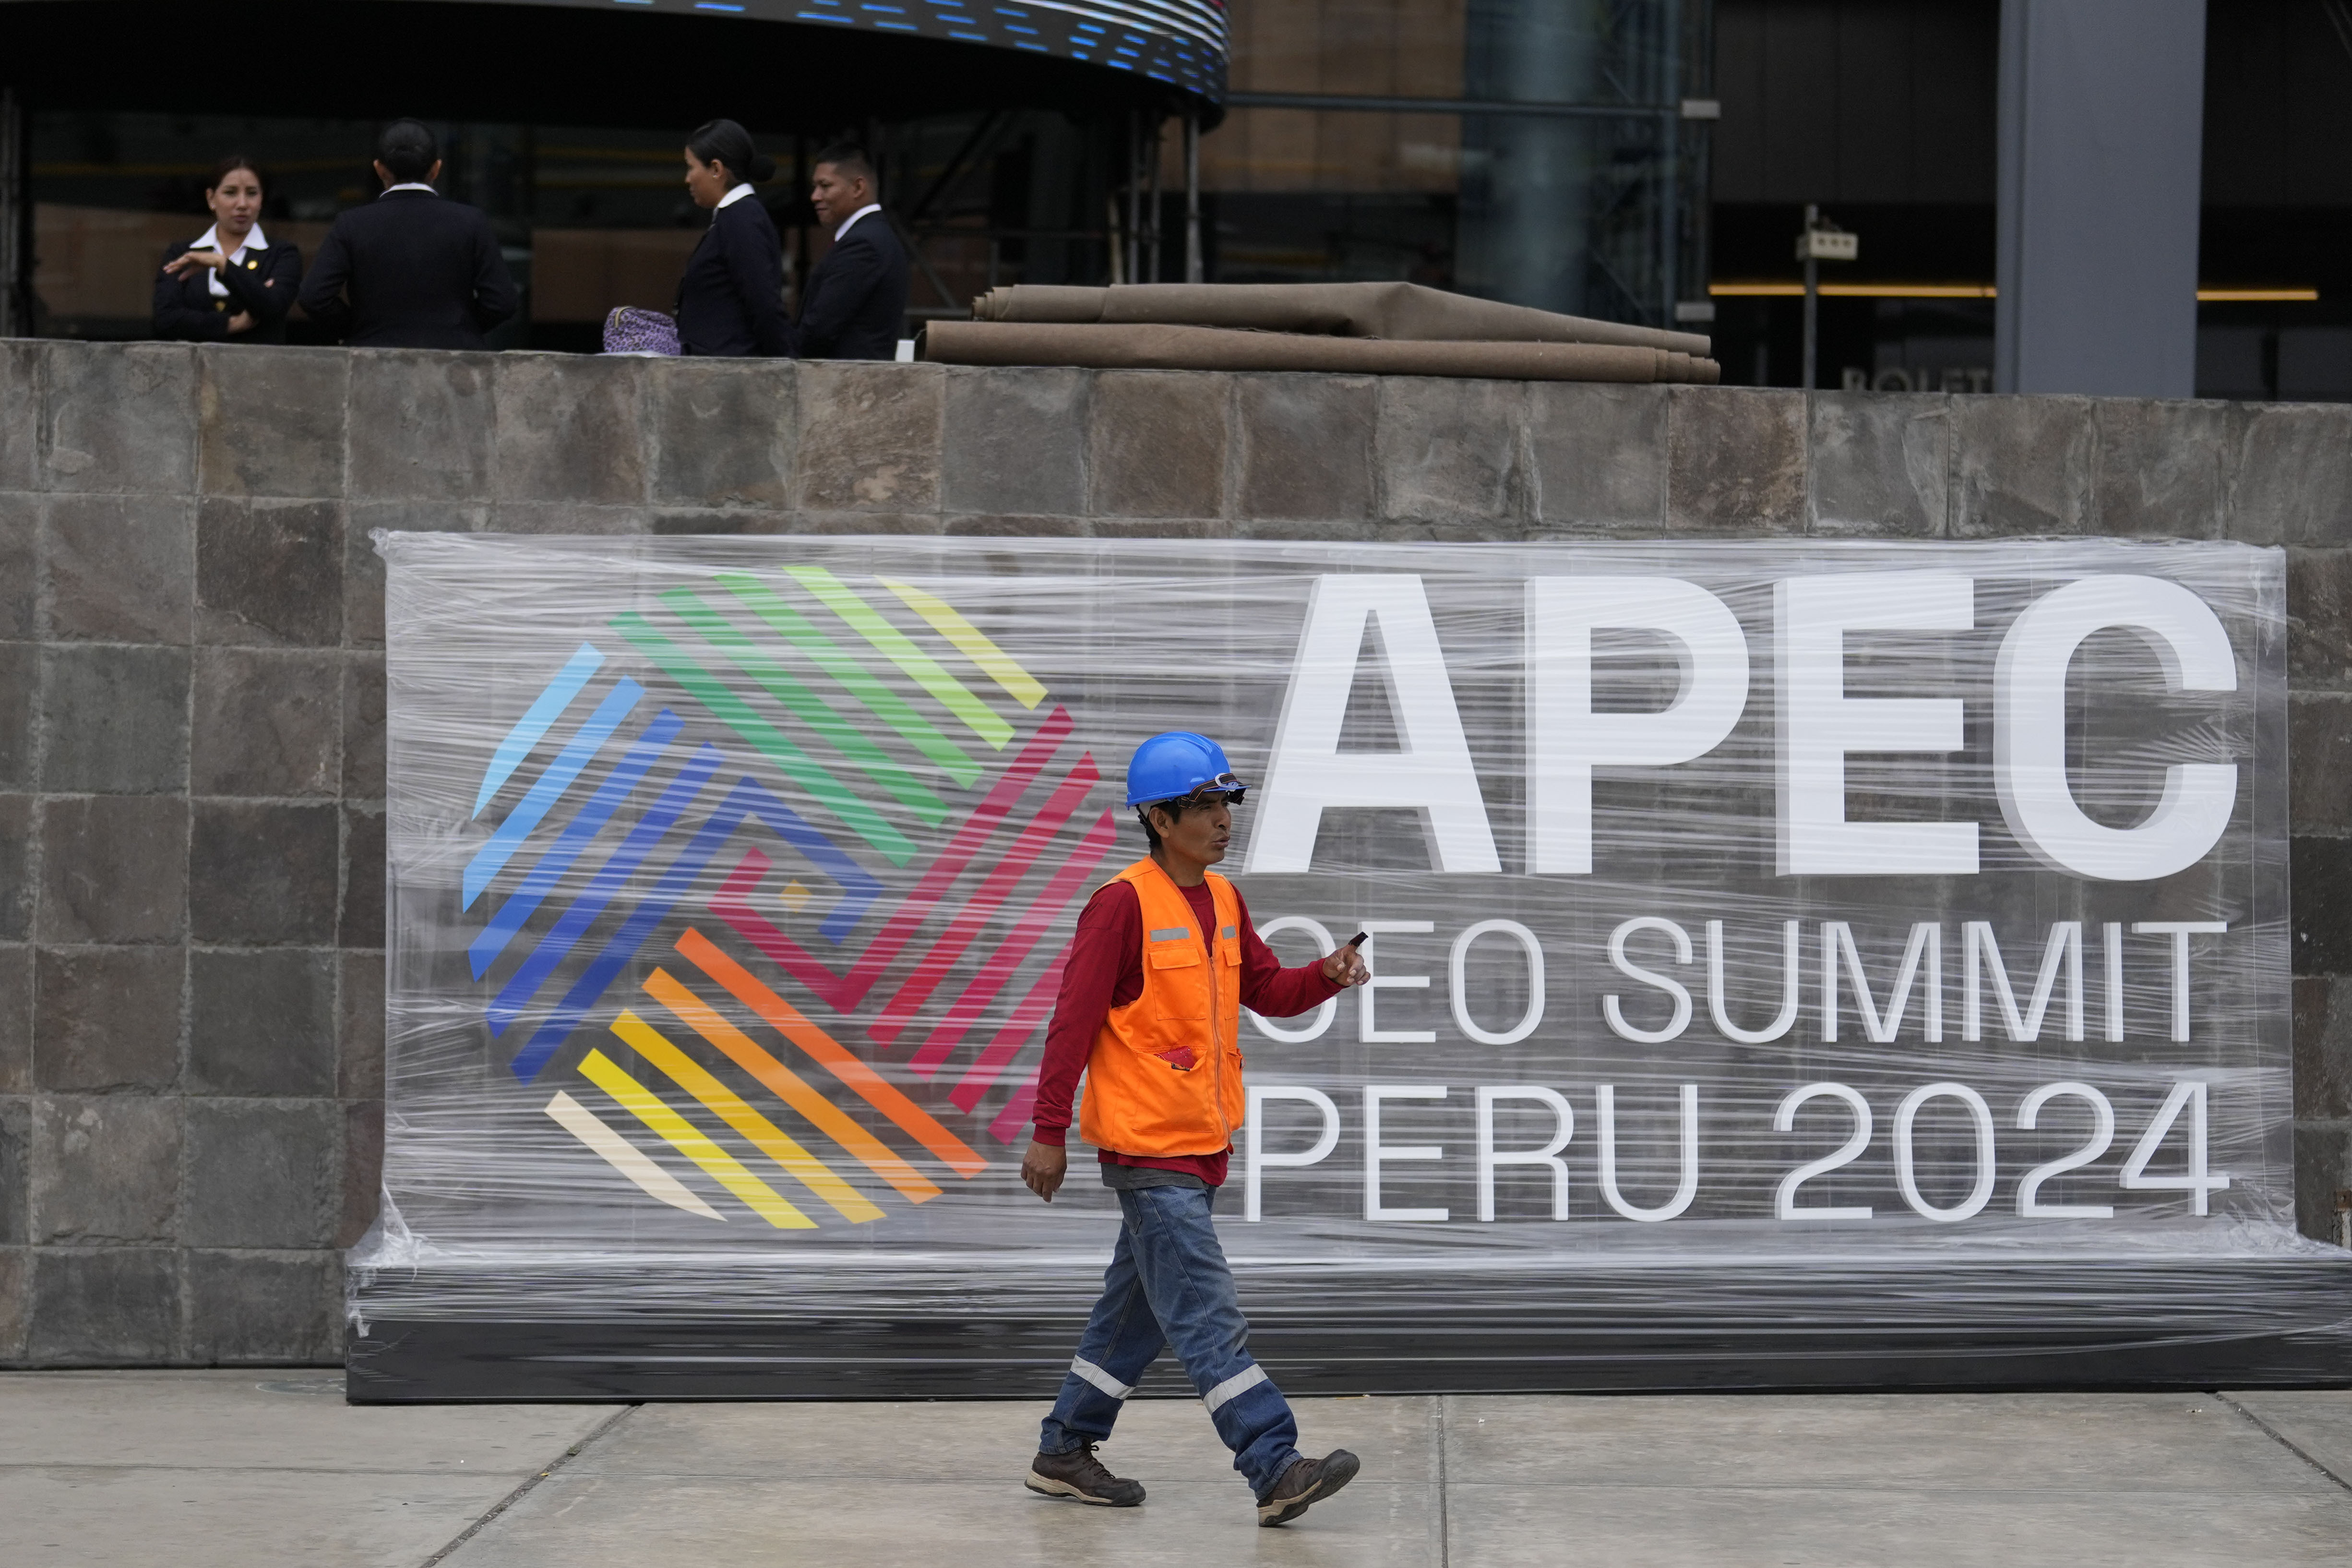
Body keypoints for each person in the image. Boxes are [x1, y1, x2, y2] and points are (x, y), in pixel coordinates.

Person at [1020, 731, 1372, 1529]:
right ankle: (1273, 1462)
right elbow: (1071, 1024)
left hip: (1201, 1144)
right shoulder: (1121, 905)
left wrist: (1324, 976)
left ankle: (1063, 1449)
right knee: (1207, 1312)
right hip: (1149, 1149)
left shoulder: (1222, 900)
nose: (1222, 820)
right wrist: (1049, 1129)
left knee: (1135, 1311)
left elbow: (1268, 991)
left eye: (1226, 803)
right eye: (1205, 806)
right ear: (1158, 816)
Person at [297, 120, 518, 350]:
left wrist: (356, 330)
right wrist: (461, 329)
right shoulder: (471, 222)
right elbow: (502, 302)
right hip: (455, 366)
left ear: (380, 169)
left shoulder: (352, 224)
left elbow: (313, 296)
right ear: (436, 169)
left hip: (373, 361)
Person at [153, 155, 301, 343]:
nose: (242, 204)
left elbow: (274, 308)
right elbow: (165, 319)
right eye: (231, 193)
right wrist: (233, 324)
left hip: (259, 368)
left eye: (252, 193)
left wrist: (221, 263)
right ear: (211, 199)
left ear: (262, 199)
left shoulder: (282, 253)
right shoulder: (181, 253)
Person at [674, 119, 789, 357]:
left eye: (691, 167)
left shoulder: (742, 220)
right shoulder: (733, 218)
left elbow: (764, 305)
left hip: (730, 379)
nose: (687, 179)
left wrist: (787, 369)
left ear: (716, 170)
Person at [788, 142, 910, 359]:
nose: (815, 196)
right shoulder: (872, 237)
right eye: (815, 187)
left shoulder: (864, 245)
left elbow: (819, 329)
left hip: (847, 386)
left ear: (858, 188)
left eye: (825, 186)